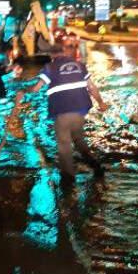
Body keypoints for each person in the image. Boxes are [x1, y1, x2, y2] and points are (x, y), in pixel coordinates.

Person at [16, 40, 108, 182]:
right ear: (64, 52)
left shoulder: (50, 67)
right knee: (79, 140)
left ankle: (69, 180)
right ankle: (95, 165)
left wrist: (23, 91)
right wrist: (101, 102)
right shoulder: (80, 65)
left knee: (64, 145)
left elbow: (36, 89)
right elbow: (92, 87)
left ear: (51, 55)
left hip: (63, 110)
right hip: (80, 111)